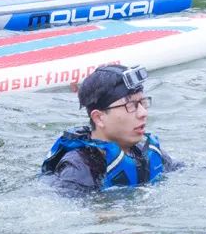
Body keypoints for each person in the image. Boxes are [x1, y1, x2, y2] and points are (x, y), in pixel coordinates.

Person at [41, 65, 180, 196]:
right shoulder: (79, 168)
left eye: (143, 103)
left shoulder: (145, 151)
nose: (143, 113)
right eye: (131, 105)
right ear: (99, 118)